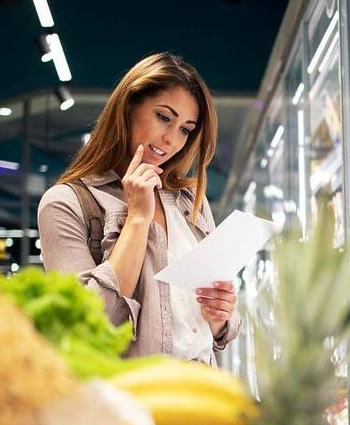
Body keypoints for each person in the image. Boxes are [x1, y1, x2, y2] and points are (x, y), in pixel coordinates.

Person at [38, 52, 240, 365]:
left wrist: (219, 315)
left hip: (203, 393)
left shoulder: (191, 203)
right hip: (131, 401)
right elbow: (88, 326)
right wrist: (136, 219)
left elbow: (207, 332)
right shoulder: (67, 203)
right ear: (129, 106)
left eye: (186, 129)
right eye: (164, 117)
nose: (171, 139)